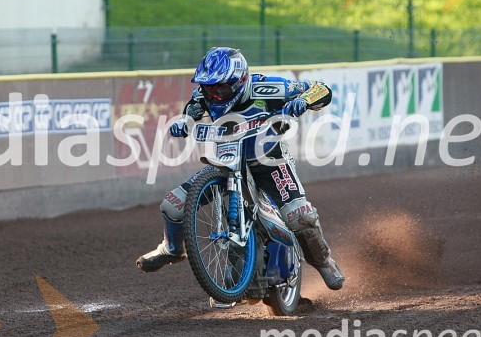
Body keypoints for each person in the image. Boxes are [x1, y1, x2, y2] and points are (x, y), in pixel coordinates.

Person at [136, 47, 345, 290]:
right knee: (172, 204)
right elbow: (192, 112)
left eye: (222, 87)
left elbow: (320, 89)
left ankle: (324, 262)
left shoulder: (268, 88)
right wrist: (184, 123)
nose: (216, 93)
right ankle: (171, 249)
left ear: (240, 80)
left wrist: (302, 101)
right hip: (227, 164)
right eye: (209, 87)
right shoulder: (204, 95)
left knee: (300, 216)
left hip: (270, 161)